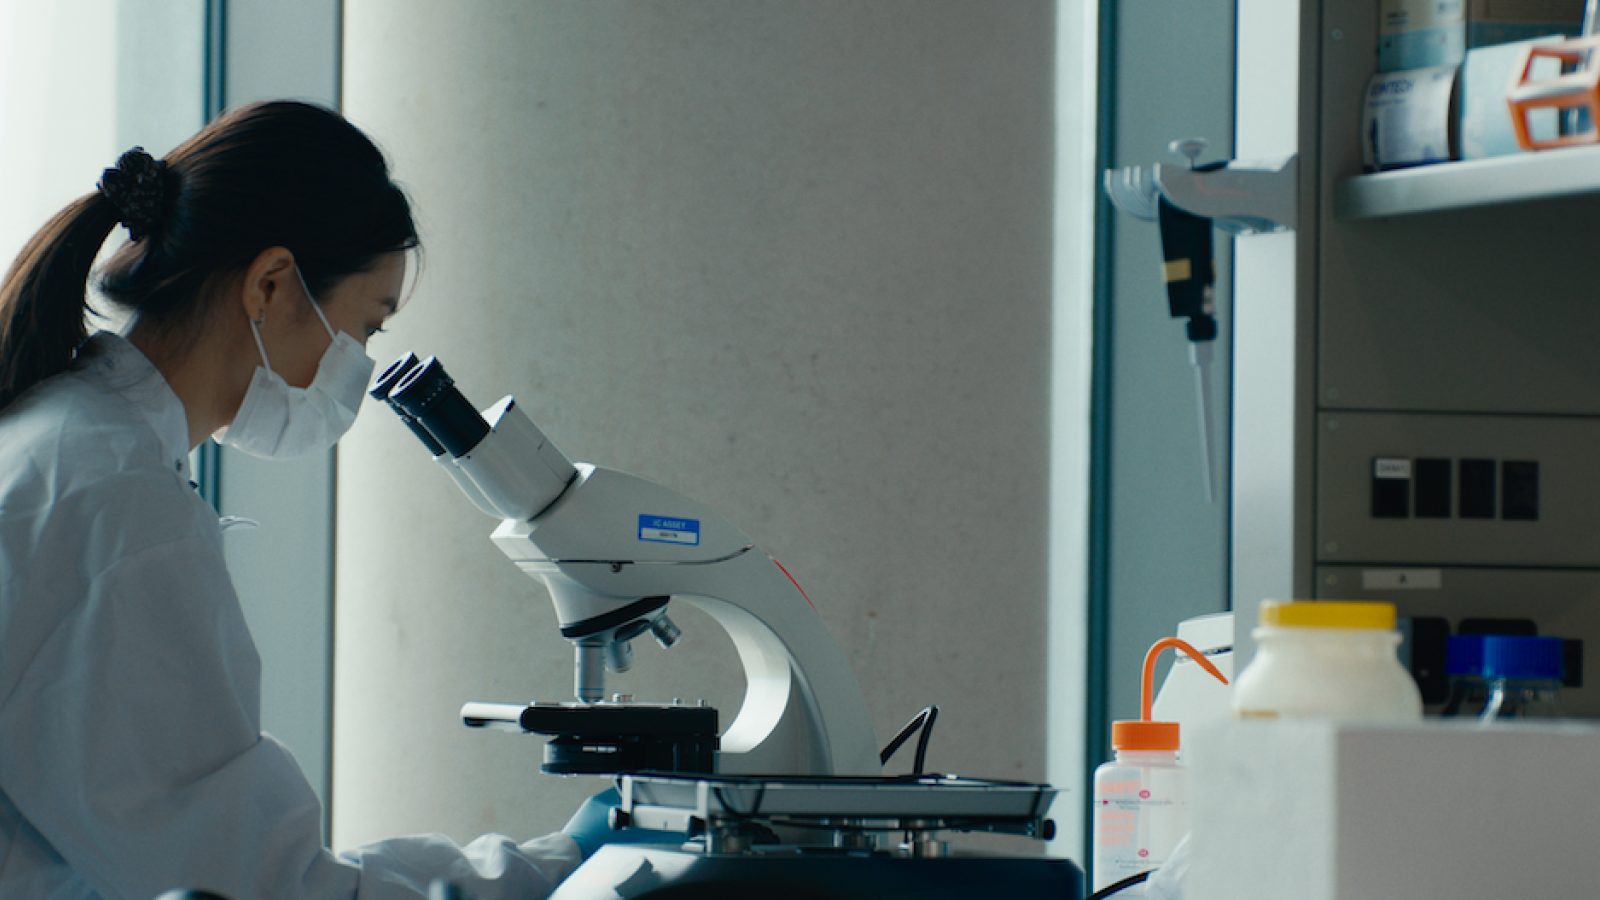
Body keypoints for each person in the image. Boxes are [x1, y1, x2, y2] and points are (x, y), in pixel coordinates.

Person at [0, 100, 632, 900]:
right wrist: (555, 867)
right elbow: (264, 886)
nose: (358, 369)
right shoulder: (122, 505)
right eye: (366, 330)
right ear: (270, 284)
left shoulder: (58, 435)